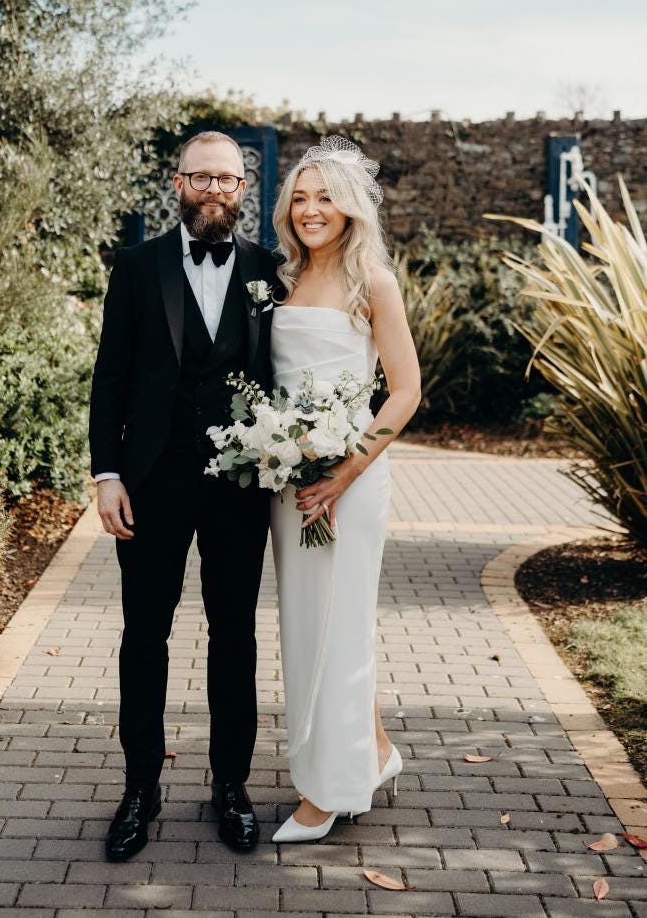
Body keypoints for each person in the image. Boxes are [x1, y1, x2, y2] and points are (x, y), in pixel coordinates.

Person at [89, 130, 277, 861]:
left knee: (236, 638)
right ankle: (141, 788)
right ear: (178, 183)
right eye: (202, 178)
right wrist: (108, 474)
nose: (215, 191)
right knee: (145, 639)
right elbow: (110, 376)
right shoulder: (137, 267)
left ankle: (230, 786)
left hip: (238, 491)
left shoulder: (269, 269)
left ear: (242, 189)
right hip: (153, 485)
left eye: (228, 180)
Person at [269, 135, 421, 842]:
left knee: (342, 624)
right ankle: (376, 751)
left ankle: (327, 792)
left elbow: (405, 391)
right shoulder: (281, 278)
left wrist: (346, 470)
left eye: (325, 195)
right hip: (290, 480)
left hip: (350, 480)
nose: (311, 209)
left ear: (351, 206)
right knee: (308, 623)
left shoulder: (373, 282)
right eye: (299, 197)